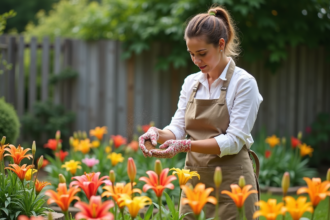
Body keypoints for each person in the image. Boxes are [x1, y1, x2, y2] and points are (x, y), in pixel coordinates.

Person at [139, 6, 263, 220]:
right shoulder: (191, 82)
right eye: (191, 54)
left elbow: (233, 141)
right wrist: (156, 134)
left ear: (221, 45)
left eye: (202, 54)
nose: (196, 61)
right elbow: (178, 128)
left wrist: (186, 145)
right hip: (194, 182)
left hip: (233, 184)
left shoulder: (244, 83)